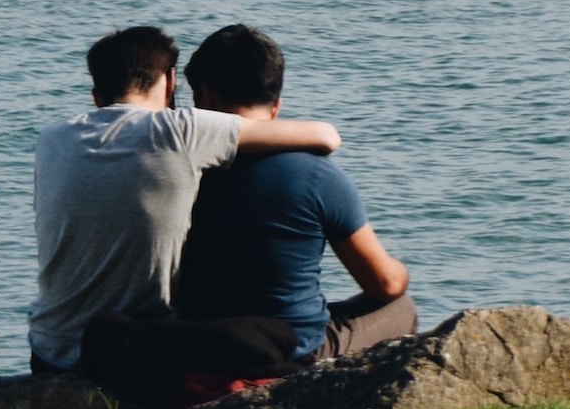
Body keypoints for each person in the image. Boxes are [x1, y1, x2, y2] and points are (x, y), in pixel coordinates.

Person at [28, 26, 341, 373]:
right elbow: (325, 136)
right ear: (170, 81)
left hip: (48, 350)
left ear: (96, 94)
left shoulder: (52, 139)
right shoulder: (181, 130)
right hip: (128, 355)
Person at [176, 24, 417, 363]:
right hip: (291, 350)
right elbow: (385, 284)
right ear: (276, 105)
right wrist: (402, 270)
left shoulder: (174, 169)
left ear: (203, 96)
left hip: (197, 346)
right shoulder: (317, 175)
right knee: (400, 306)